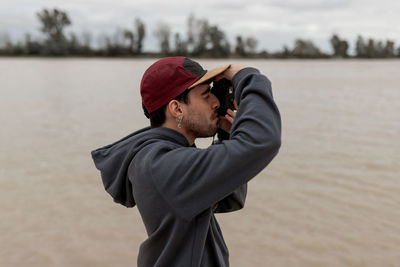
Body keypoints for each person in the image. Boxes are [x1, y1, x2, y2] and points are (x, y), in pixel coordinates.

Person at [91, 57, 281, 267]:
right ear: (177, 109)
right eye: (206, 95)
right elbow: (263, 140)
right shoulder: (161, 165)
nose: (216, 103)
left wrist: (227, 135)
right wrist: (246, 76)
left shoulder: (162, 155)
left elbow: (230, 199)